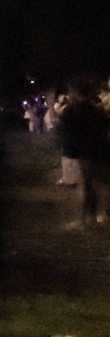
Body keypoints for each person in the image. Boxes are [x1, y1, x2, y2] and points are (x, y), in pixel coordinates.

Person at [56, 77, 109, 229]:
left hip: (85, 152)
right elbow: (104, 127)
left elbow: (66, 131)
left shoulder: (74, 109)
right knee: (93, 185)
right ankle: (93, 218)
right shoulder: (96, 109)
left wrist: (69, 150)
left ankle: (85, 221)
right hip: (97, 150)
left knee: (87, 186)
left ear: (76, 92)